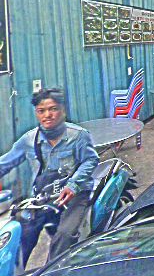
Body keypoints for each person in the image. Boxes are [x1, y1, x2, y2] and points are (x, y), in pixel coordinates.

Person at [0, 88, 99, 266]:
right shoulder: (29, 140)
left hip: (75, 195)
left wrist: (73, 185)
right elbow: (4, 164)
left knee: (65, 235)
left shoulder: (78, 136)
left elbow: (91, 160)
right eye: (41, 111)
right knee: (21, 234)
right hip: (43, 198)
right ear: (36, 113)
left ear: (63, 110)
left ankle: (53, 274)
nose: (48, 115)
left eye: (53, 109)